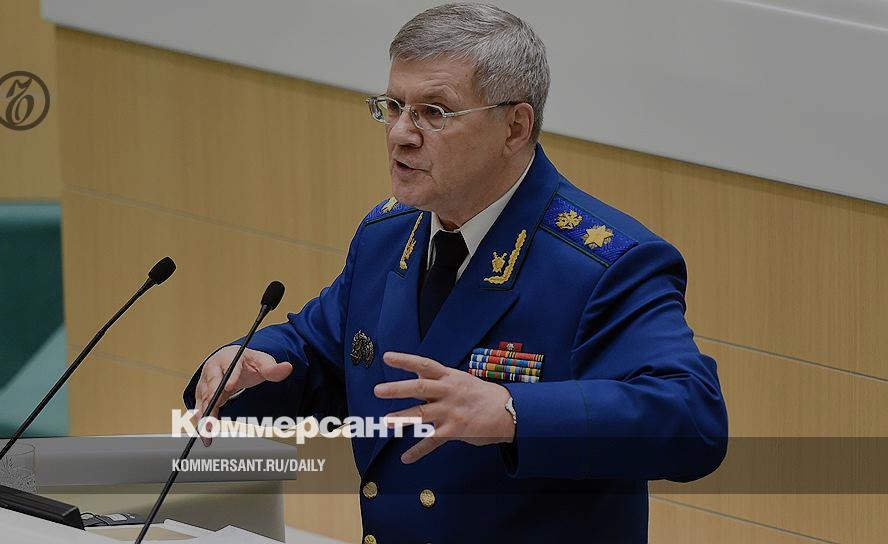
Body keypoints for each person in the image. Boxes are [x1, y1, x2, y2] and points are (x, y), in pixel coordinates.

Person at [184, 4, 727, 542]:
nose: (401, 134)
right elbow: (324, 351)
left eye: (434, 112)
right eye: (394, 106)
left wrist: (513, 413)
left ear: (515, 127)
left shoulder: (604, 265)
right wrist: (248, 363)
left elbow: (692, 419)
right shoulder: (386, 235)